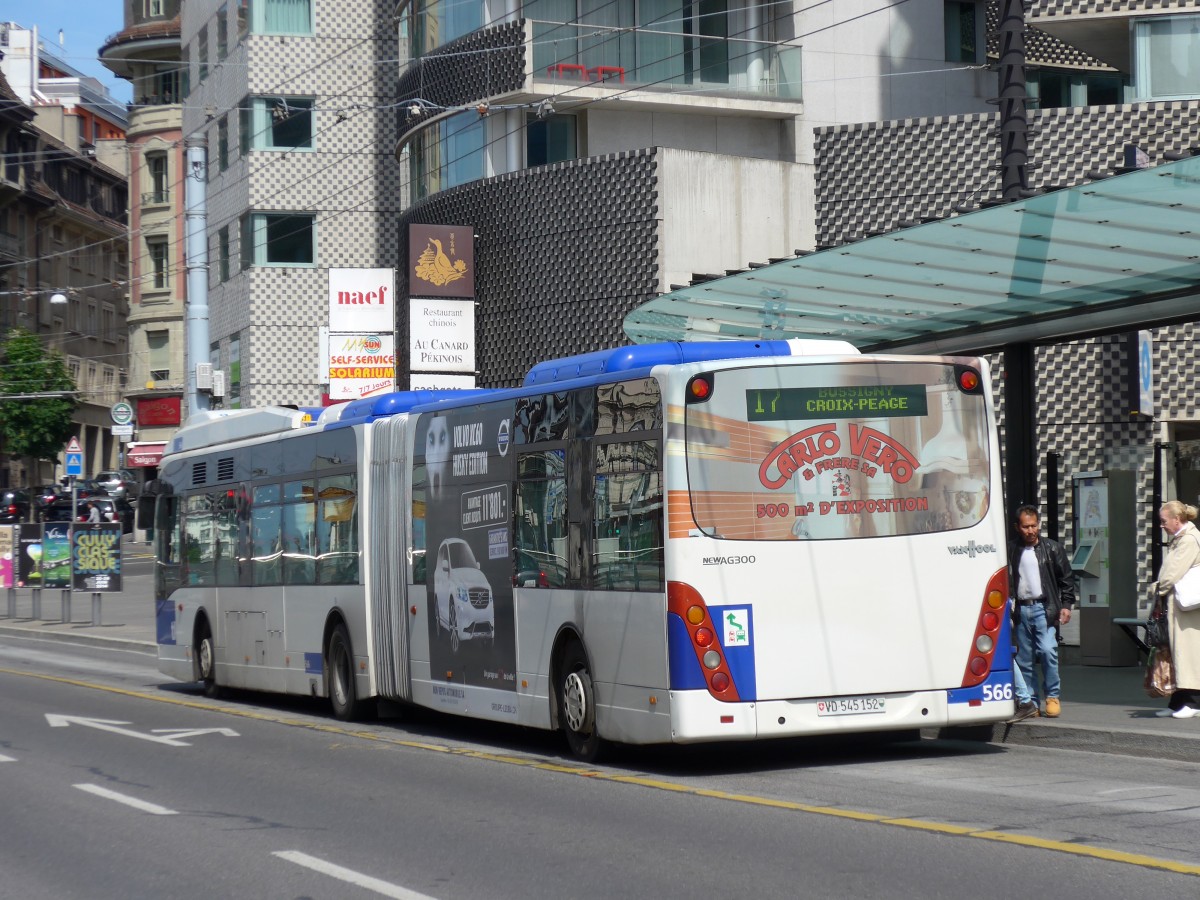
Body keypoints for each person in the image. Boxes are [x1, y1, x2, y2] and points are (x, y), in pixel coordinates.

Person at [1008, 505, 1075, 719]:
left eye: (1034, 525)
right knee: (1025, 658)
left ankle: (1052, 696)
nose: (1031, 530)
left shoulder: (1052, 548)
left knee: (1048, 651)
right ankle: (1031, 701)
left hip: (1045, 608)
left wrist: (1066, 605)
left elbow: (1067, 579)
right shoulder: (1011, 550)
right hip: (1021, 609)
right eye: (1026, 526)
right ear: (1017, 527)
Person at [1151, 501, 1200, 718]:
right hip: (1180, 608)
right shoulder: (1182, 539)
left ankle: (1192, 702)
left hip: (1186, 609)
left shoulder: (1189, 540)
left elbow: (1172, 574)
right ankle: (1179, 702)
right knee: (1178, 654)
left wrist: (1156, 587)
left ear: (1176, 519)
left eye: (1164, 521)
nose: (1162, 525)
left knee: (1187, 654)